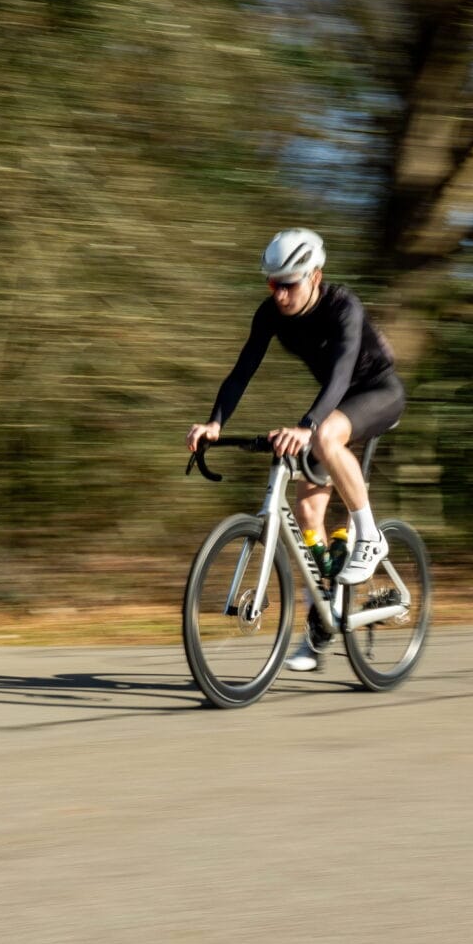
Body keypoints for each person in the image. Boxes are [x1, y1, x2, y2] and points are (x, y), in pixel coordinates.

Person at [185, 229, 406, 672]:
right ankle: (322, 624)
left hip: (377, 393)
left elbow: (342, 375)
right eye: (272, 283)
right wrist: (215, 423)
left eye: (289, 283)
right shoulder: (270, 315)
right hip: (335, 406)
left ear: (315, 276)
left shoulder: (344, 306)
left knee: (324, 436)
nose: (280, 293)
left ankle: (371, 536)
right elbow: (241, 371)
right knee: (308, 514)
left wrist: (308, 426)